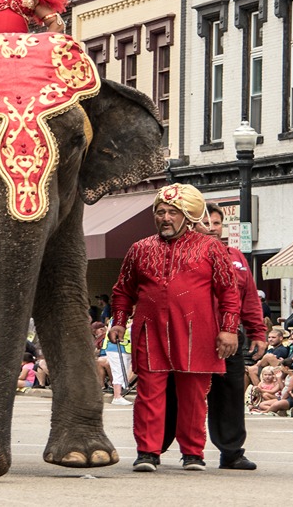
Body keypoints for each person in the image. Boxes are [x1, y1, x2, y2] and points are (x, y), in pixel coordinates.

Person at [110, 183, 240, 473]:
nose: (165, 218)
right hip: (151, 331)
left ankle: (193, 453)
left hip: (198, 332)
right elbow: (123, 290)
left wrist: (229, 329)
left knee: (194, 395)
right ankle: (147, 452)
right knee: (149, 392)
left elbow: (229, 291)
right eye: (160, 212)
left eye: (172, 212)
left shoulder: (211, 248)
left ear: (188, 216)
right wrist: (118, 321)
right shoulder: (139, 249)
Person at [161, 201, 266, 470]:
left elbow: (249, 298)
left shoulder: (238, 258)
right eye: (204, 223)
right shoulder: (180, 255)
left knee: (230, 394)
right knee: (177, 393)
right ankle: (154, 447)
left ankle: (231, 453)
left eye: (216, 223)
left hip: (229, 337)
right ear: (192, 224)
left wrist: (257, 332)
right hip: (191, 336)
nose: (211, 228)